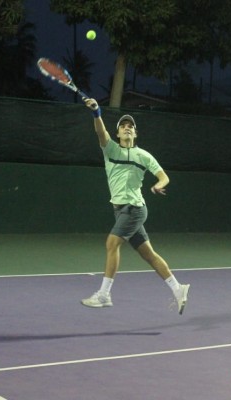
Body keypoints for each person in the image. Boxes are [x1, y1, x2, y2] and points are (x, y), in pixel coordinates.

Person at [80, 98, 190, 314]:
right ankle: (178, 289)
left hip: (135, 209)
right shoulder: (110, 149)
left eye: (131, 126)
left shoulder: (144, 156)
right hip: (119, 210)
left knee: (112, 244)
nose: (127, 128)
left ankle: (103, 294)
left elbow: (163, 176)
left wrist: (159, 185)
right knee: (148, 254)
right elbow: (101, 133)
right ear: (118, 133)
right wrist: (96, 113)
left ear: (135, 134)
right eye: (123, 126)